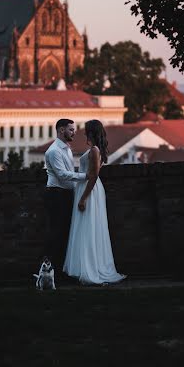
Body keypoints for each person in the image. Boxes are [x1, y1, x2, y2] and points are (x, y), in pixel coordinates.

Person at [63, 119, 126, 285]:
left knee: (88, 228)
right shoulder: (95, 150)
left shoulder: (95, 151)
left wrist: (84, 198)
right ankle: (84, 266)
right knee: (86, 227)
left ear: (91, 132)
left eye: (86, 130)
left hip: (89, 190)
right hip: (87, 188)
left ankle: (90, 268)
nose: (83, 133)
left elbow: (93, 176)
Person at [44, 118, 87, 273]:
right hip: (57, 195)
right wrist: (85, 176)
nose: (74, 132)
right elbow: (62, 175)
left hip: (66, 194)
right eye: (71, 129)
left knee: (66, 233)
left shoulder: (67, 149)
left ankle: (63, 269)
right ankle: (50, 270)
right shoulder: (54, 151)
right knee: (57, 233)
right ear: (61, 130)